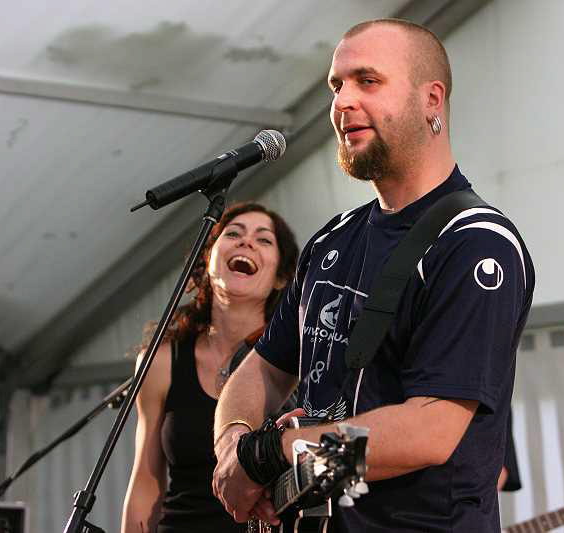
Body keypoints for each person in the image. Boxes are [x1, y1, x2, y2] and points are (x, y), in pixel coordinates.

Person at [212, 18, 535, 532]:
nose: (342, 102)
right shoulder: (333, 238)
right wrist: (233, 441)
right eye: (336, 85)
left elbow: (429, 433)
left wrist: (275, 452)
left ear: (432, 100)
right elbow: (264, 369)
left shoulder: (475, 244)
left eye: (368, 81)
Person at [121, 202, 299, 533]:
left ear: (280, 278)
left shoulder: (297, 359)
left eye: (264, 240)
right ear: (208, 258)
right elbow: (146, 480)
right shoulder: (161, 360)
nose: (246, 242)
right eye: (233, 233)